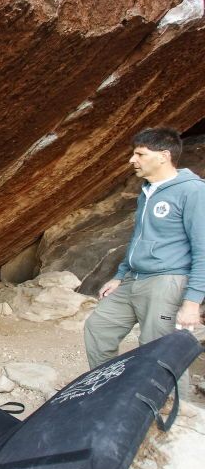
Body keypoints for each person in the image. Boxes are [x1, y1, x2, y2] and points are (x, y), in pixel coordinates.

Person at [84, 127, 204, 371]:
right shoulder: (148, 191)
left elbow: (202, 249)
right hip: (133, 278)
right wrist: (119, 276)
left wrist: (192, 302)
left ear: (163, 155)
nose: (132, 160)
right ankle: (108, 386)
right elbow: (139, 237)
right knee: (99, 327)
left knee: (159, 349)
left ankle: (167, 405)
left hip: (166, 280)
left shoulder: (193, 191)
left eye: (140, 154)